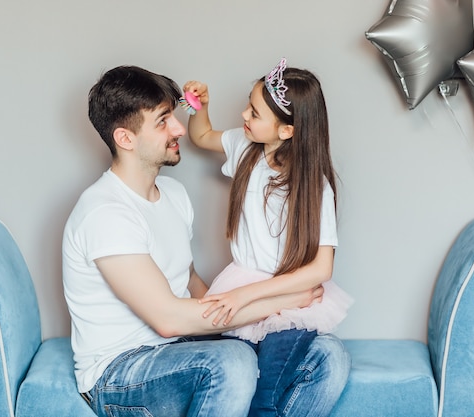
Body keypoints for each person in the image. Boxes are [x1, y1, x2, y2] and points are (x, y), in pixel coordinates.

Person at [62, 64, 349, 417]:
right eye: (164, 120)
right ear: (126, 138)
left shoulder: (173, 194)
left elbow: (190, 281)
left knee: (328, 355)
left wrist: (240, 310)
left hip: (179, 351)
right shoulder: (104, 213)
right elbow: (168, 319)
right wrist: (284, 301)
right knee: (233, 361)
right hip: (122, 371)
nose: (180, 128)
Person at [184, 58, 352, 416]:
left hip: (289, 298)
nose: (244, 114)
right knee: (231, 376)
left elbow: (321, 268)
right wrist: (201, 106)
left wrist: (248, 294)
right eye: (249, 103)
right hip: (242, 280)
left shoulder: (313, 186)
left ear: (287, 131)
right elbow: (200, 136)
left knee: (266, 394)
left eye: (255, 113)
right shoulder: (244, 148)